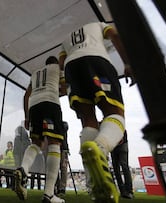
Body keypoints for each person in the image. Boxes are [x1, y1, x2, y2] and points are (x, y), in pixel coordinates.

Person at [59, 22, 135, 203]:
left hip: (72, 68)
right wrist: (128, 63)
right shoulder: (100, 25)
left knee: (88, 121)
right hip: (96, 61)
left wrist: (64, 80)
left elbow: (61, 61)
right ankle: (100, 148)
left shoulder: (65, 40)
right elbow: (115, 35)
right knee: (115, 113)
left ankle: (93, 184)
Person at [14, 56, 66, 203]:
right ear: (55, 63)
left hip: (34, 106)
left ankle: (23, 169)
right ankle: (49, 193)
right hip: (50, 103)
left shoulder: (36, 73)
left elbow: (26, 96)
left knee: (37, 143)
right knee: (55, 144)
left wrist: (27, 117)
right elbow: (65, 88)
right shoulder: (57, 69)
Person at [110, 131, 134, 199]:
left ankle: (128, 191)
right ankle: (124, 192)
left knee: (123, 167)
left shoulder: (114, 122)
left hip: (121, 144)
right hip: (114, 145)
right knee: (118, 169)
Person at [55, 121, 69, 197]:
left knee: (63, 168)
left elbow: (65, 127)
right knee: (56, 168)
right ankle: (58, 187)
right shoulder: (61, 124)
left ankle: (62, 188)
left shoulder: (63, 124)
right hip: (58, 147)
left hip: (63, 148)